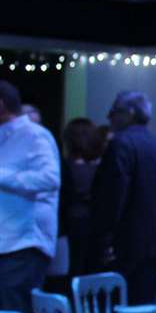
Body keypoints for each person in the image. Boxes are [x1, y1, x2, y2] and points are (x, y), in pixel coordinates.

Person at [89, 90, 156, 303]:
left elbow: (113, 195)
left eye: (114, 111)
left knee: (119, 312)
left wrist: (106, 237)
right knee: (144, 309)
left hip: (126, 243)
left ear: (129, 113)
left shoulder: (121, 144)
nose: (109, 117)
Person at [0, 81, 59, 313]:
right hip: (6, 241)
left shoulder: (35, 135)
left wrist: (3, 175)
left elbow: (50, 179)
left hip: (24, 241)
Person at [59, 117, 101, 277]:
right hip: (96, 225)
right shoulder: (102, 166)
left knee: (71, 273)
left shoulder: (64, 166)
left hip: (71, 224)